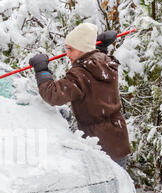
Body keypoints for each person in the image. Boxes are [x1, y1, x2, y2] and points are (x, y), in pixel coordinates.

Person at [29, 23, 130, 170]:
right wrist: (101, 48)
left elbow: (52, 95)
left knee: (103, 190)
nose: (68, 54)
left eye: (71, 49)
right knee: (119, 187)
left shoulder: (80, 74)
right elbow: (96, 69)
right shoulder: (106, 62)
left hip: (100, 144)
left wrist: (42, 70)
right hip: (117, 139)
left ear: (83, 49)